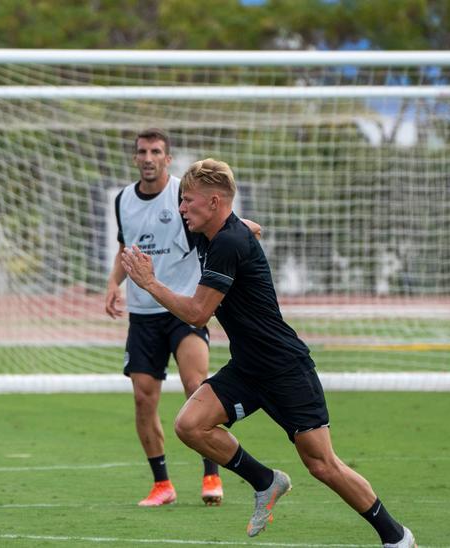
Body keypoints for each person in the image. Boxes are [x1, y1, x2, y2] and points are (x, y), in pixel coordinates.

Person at [120, 159, 415, 547]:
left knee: (322, 464)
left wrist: (150, 283)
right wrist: (245, 226)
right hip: (248, 367)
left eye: (187, 201)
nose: (181, 209)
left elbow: (197, 313)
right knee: (191, 425)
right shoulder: (214, 231)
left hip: (284, 367)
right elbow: (248, 227)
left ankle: (396, 537)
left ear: (212, 202)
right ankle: (266, 481)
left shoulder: (227, 241)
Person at [104, 128, 224, 507]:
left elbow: (214, 226)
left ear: (167, 159)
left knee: (196, 385)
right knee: (143, 398)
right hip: (142, 314)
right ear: (135, 157)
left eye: (156, 151)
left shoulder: (181, 195)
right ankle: (162, 485)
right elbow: (126, 246)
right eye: (142, 151)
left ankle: (211, 474)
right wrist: (113, 283)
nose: (148, 157)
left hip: (183, 307)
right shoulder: (123, 198)